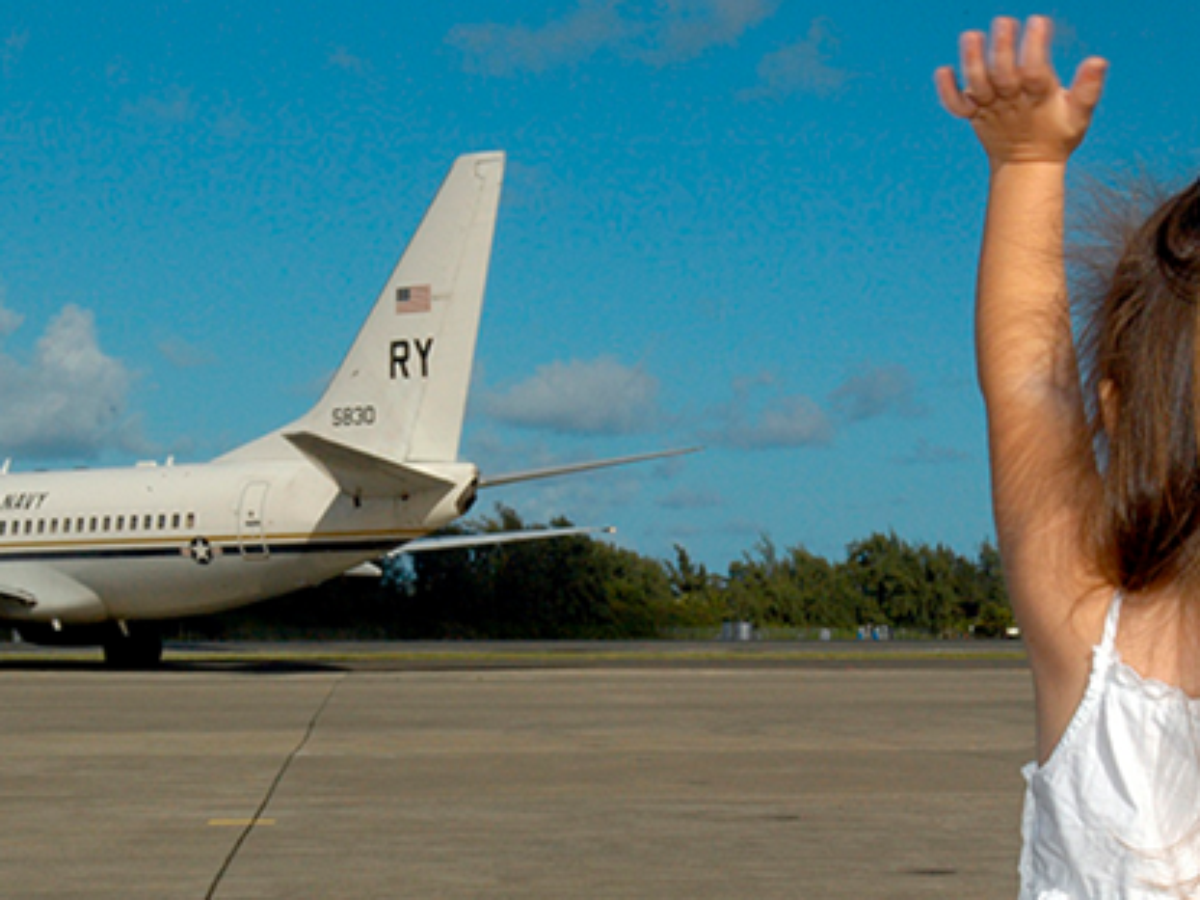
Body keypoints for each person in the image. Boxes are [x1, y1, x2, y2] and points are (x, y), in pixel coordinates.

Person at [937, 15, 1200, 898]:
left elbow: (1032, 387)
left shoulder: (1090, 630)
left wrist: (1026, 164)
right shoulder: (1090, 627)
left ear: (1116, 412)